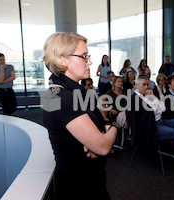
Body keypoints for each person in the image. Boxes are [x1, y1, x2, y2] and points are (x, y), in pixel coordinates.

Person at [42, 32, 119, 200]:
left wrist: (96, 137)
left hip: (82, 180)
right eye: (84, 56)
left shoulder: (55, 92)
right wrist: (114, 128)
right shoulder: (62, 97)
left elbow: (62, 133)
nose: (89, 62)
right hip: (80, 187)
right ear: (63, 59)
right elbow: (103, 147)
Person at [130, 76, 174, 171]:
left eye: (147, 85)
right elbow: (142, 118)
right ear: (136, 85)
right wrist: (156, 107)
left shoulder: (147, 96)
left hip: (160, 121)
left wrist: (154, 97)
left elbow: (163, 108)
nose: (146, 87)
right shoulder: (133, 99)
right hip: (151, 128)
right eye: (144, 85)